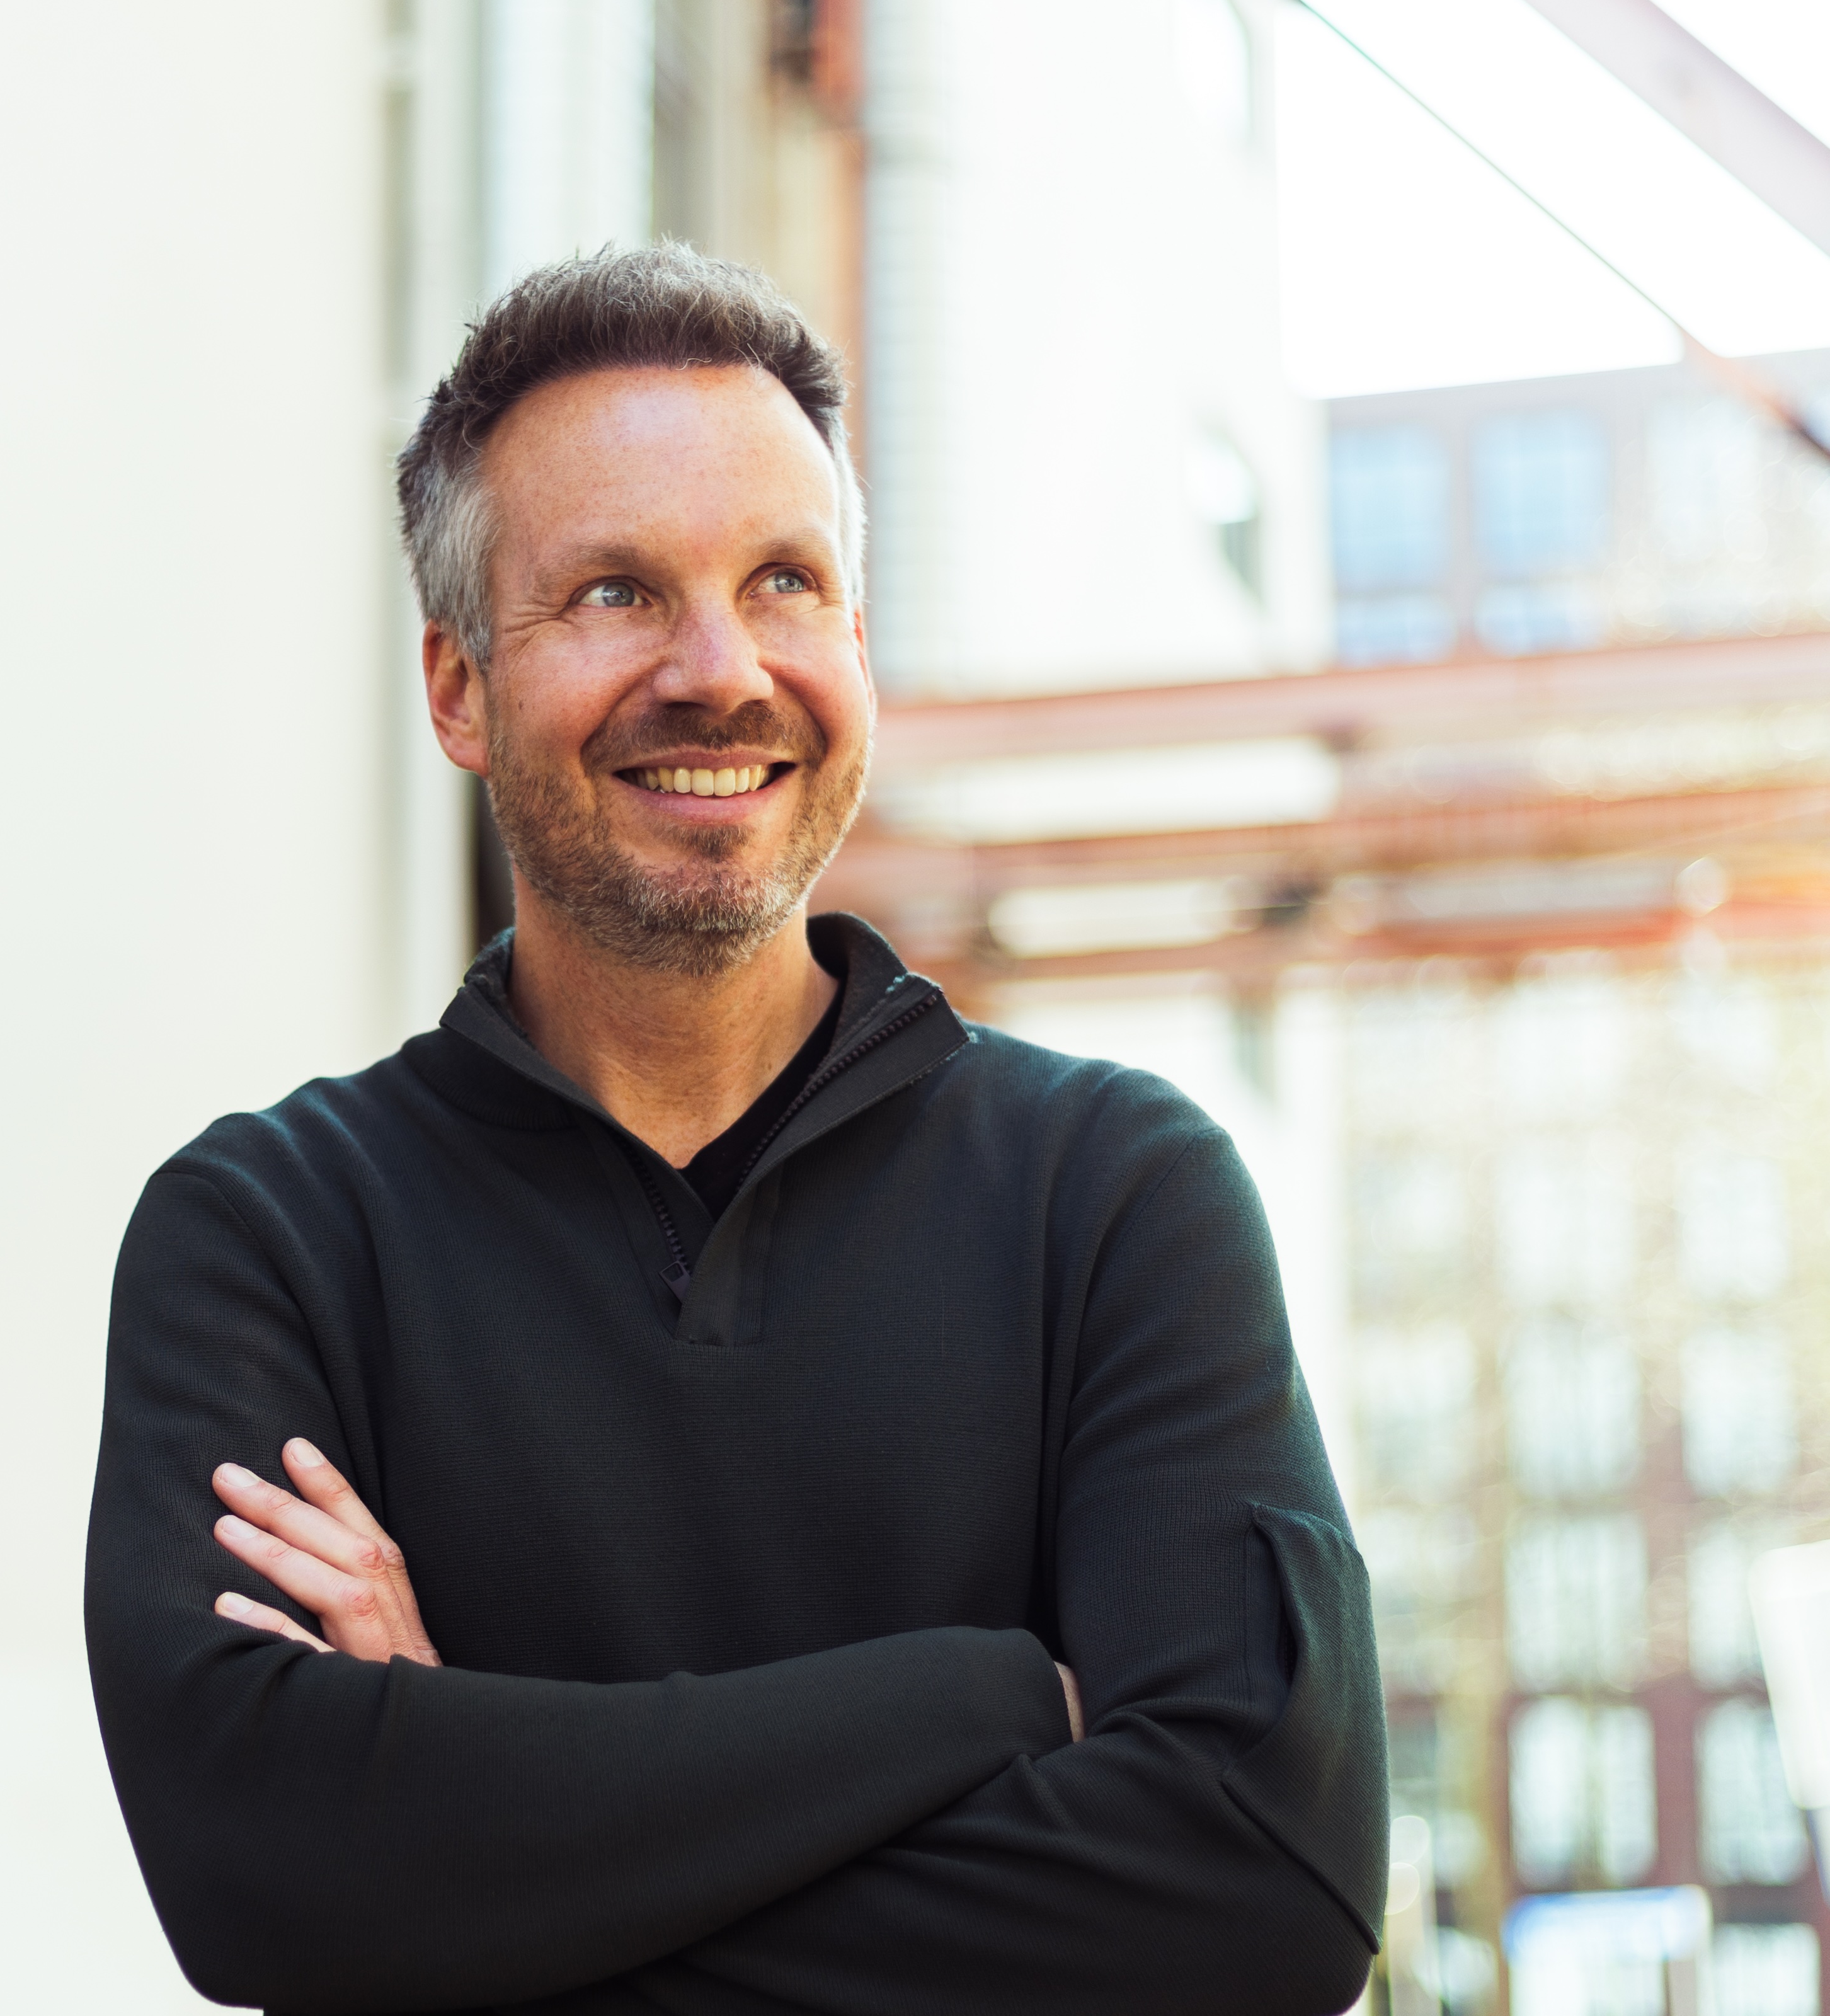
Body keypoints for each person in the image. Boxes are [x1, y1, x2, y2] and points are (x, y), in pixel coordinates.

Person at [85, 245, 1386, 2015]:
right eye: (616, 592)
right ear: (458, 686)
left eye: (786, 580)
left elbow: (1263, 1888)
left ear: (855, 640)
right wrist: (984, 1699)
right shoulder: (271, 1233)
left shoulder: (1117, 1197)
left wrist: (477, 1862)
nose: (719, 671)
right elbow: (264, 1879)